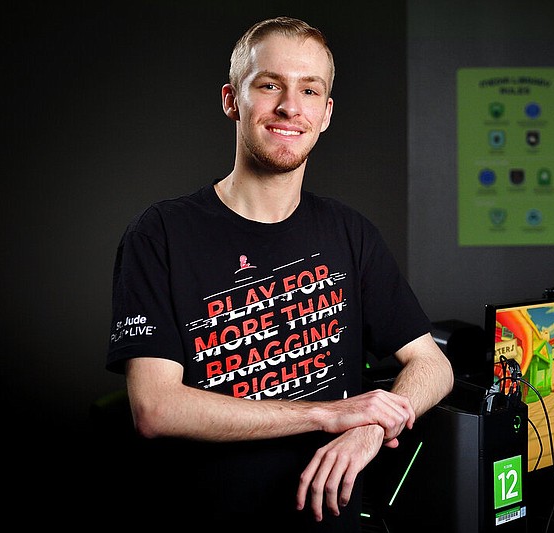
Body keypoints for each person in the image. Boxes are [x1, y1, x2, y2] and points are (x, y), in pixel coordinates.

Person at [106, 16, 454, 530]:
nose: (291, 107)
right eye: (270, 85)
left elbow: (432, 365)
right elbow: (155, 408)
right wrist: (327, 413)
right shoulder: (161, 233)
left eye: (309, 90)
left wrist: (370, 430)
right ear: (231, 100)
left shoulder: (350, 232)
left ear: (327, 112)